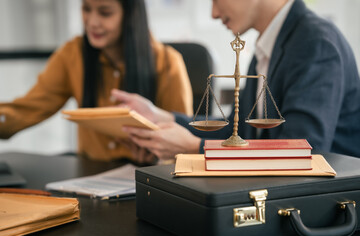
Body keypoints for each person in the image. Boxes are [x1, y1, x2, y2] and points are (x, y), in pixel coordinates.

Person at [111, 0, 360, 160]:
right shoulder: (268, 48)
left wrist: (194, 148)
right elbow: (239, 130)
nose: (213, 13)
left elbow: (300, 152)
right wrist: (161, 117)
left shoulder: (315, 42)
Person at [0, 0, 193, 162]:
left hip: (147, 184)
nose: (92, 22)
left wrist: (157, 155)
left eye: (105, 13)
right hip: (88, 178)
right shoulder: (72, 54)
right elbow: (27, 109)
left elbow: (183, 144)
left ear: (130, 15)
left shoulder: (168, 63)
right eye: (86, 9)